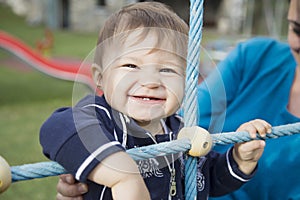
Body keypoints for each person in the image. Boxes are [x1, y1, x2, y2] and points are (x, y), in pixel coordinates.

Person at [39, 2, 272, 200]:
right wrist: (123, 175)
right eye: (131, 66)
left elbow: (209, 180)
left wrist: (239, 160)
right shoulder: (100, 117)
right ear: (100, 77)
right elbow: (57, 126)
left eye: (167, 70)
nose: (151, 82)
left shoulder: (181, 130)